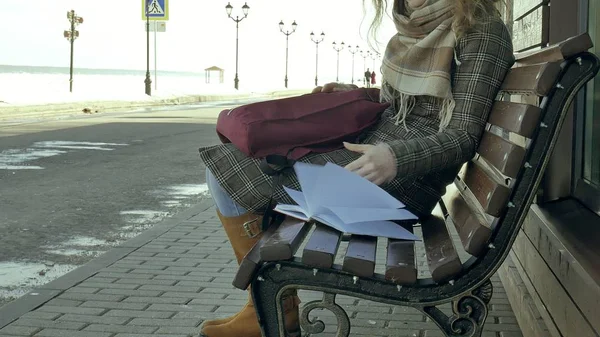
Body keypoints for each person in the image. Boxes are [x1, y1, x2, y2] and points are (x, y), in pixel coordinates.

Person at [196, 0, 514, 336]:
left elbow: (463, 135)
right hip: (372, 159)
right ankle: (268, 306)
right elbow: (411, 105)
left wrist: (395, 158)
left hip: (403, 185)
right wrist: (358, 95)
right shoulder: (416, 23)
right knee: (247, 155)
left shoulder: (479, 28)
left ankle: (268, 310)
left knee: (226, 171)